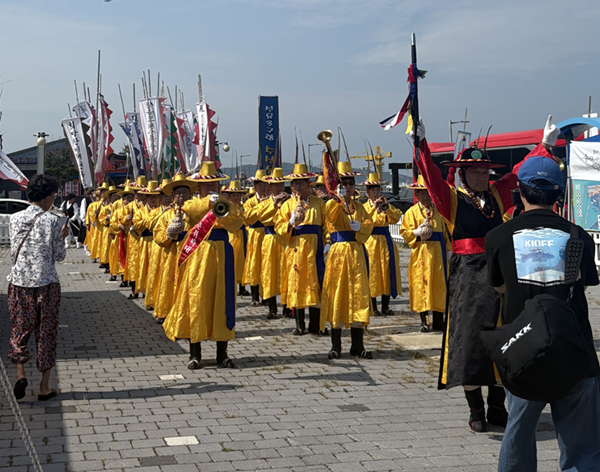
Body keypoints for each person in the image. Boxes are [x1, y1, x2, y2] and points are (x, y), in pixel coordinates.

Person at [414, 116, 558, 432]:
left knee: (503, 337)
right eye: (476, 172)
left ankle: (497, 407)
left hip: (499, 275)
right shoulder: (451, 199)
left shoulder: (496, 194)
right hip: (467, 278)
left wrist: (544, 146)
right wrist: (421, 144)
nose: (483, 176)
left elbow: (519, 171)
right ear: (462, 173)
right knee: (470, 341)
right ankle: (475, 410)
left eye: (485, 172)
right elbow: (431, 176)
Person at [485, 156, 600, 471]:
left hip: (524, 352)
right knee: (583, 448)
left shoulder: (498, 237)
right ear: (558, 194)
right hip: (574, 349)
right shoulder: (579, 237)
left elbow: (498, 287)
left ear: (520, 191)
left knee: (518, 436)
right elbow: (584, 284)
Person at [163, 162, 243, 369]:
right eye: (207, 185)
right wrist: (208, 202)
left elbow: (237, 221)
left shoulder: (226, 203)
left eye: (215, 184)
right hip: (198, 256)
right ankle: (195, 353)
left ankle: (222, 353)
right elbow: (192, 211)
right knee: (196, 300)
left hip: (222, 256)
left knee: (222, 301)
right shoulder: (192, 203)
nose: (211, 188)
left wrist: (221, 204)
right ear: (199, 187)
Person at [8, 174, 69, 401]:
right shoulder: (52, 221)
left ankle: (20, 373)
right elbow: (59, 256)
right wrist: (62, 237)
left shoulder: (14, 218)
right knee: (46, 333)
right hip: (46, 283)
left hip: (19, 283)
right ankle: (44, 387)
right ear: (48, 196)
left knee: (19, 330)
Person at [320, 161, 374, 359]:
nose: (348, 187)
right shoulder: (331, 204)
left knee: (358, 293)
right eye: (344, 184)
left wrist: (361, 228)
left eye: (351, 183)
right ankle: (336, 345)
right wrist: (338, 199)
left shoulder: (359, 207)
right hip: (339, 253)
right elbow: (332, 217)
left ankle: (357, 345)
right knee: (338, 294)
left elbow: (369, 224)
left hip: (356, 252)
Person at [275, 163, 326, 334]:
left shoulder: (319, 203)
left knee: (315, 283)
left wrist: (328, 243)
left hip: (315, 249)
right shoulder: (287, 205)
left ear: (308, 184)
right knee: (297, 283)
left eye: (301, 183)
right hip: (295, 249)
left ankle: (315, 324)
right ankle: (299, 324)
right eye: (294, 183)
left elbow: (327, 226)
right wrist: (290, 223)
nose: (297, 186)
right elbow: (278, 227)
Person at [399, 176, 450, 332]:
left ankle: (439, 320)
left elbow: (446, 232)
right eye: (422, 193)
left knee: (439, 286)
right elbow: (404, 231)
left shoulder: (438, 211)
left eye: (428, 193)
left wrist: (449, 250)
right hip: (422, 252)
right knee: (423, 285)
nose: (426, 196)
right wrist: (415, 232)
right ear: (417, 194)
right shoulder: (412, 212)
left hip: (438, 255)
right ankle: (424, 321)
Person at [152, 174, 195, 323]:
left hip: (191, 253)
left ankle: (188, 314)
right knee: (169, 282)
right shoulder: (167, 215)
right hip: (172, 254)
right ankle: (166, 312)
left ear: (190, 195)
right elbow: (157, 235)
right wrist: (169, 236)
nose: (181, 196)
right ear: (173, 197)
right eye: (178, 193)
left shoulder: (196, 213)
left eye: (185, 192)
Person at [362, 173, 403, 316]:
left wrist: (387, 207)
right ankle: (373, 306)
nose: (376, 192)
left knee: (387, 271)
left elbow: (396, 218)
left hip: (385, 240)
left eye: (378, 189)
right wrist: (374, 207)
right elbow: (364, 219)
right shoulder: (364, 207)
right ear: (368, 192)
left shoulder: (385, 205)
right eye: (373, 190)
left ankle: (386, 305)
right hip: (371, 241)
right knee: (372, 272)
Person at [256, 168, 288, 319]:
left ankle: (288, 306)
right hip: (270, 239)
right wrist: (274, 203)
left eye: (281, 184)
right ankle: (272, 307)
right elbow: (262, 217)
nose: (279, 188)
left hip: (286, 239)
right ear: (270, 187)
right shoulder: (266, 202)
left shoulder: (290, 201)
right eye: (276, 185)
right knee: (269, 272)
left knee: (286, 272)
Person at [242, 169, 269, 306]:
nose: (263, 187)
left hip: (267, 233)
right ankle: (254, 296)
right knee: (254, 264)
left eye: (265, 185)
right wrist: (262, 205)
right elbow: (249, 217)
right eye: (260, 185)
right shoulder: (250, 202)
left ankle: (266, 296)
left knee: (267, 264)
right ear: (255, 186)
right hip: (255, 234)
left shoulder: (271, 200)